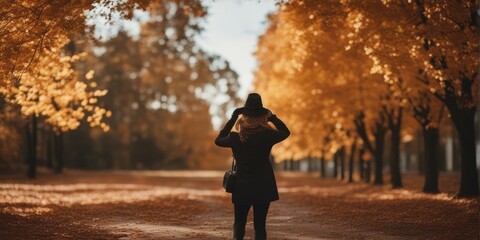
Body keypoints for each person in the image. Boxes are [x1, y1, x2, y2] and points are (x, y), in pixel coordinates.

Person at [215, 93, 290, 240]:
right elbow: (286, 132)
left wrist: (232, 118)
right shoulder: (269, 135)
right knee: (260, 226)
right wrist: (273, 117)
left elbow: (218, 140)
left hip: (242, 185)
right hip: (264, 184)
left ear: (245, 116)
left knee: (239, 223)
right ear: (262, 116)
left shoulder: (235, 137)